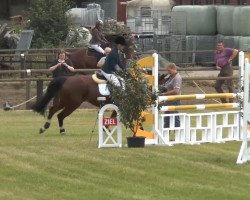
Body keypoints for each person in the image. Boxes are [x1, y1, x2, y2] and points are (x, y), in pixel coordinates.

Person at [160, 63, 182, 128]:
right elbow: (167, 86)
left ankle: (177, 136)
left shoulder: (177, 77)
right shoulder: (171, 77)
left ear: (173, 69)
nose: (168, 72)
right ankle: (166, 136)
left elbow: (176, 91)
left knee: (175, 118)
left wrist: (164, 94)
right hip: (168, 100)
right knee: (167, 119)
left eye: (169, 70)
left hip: (174, 100)